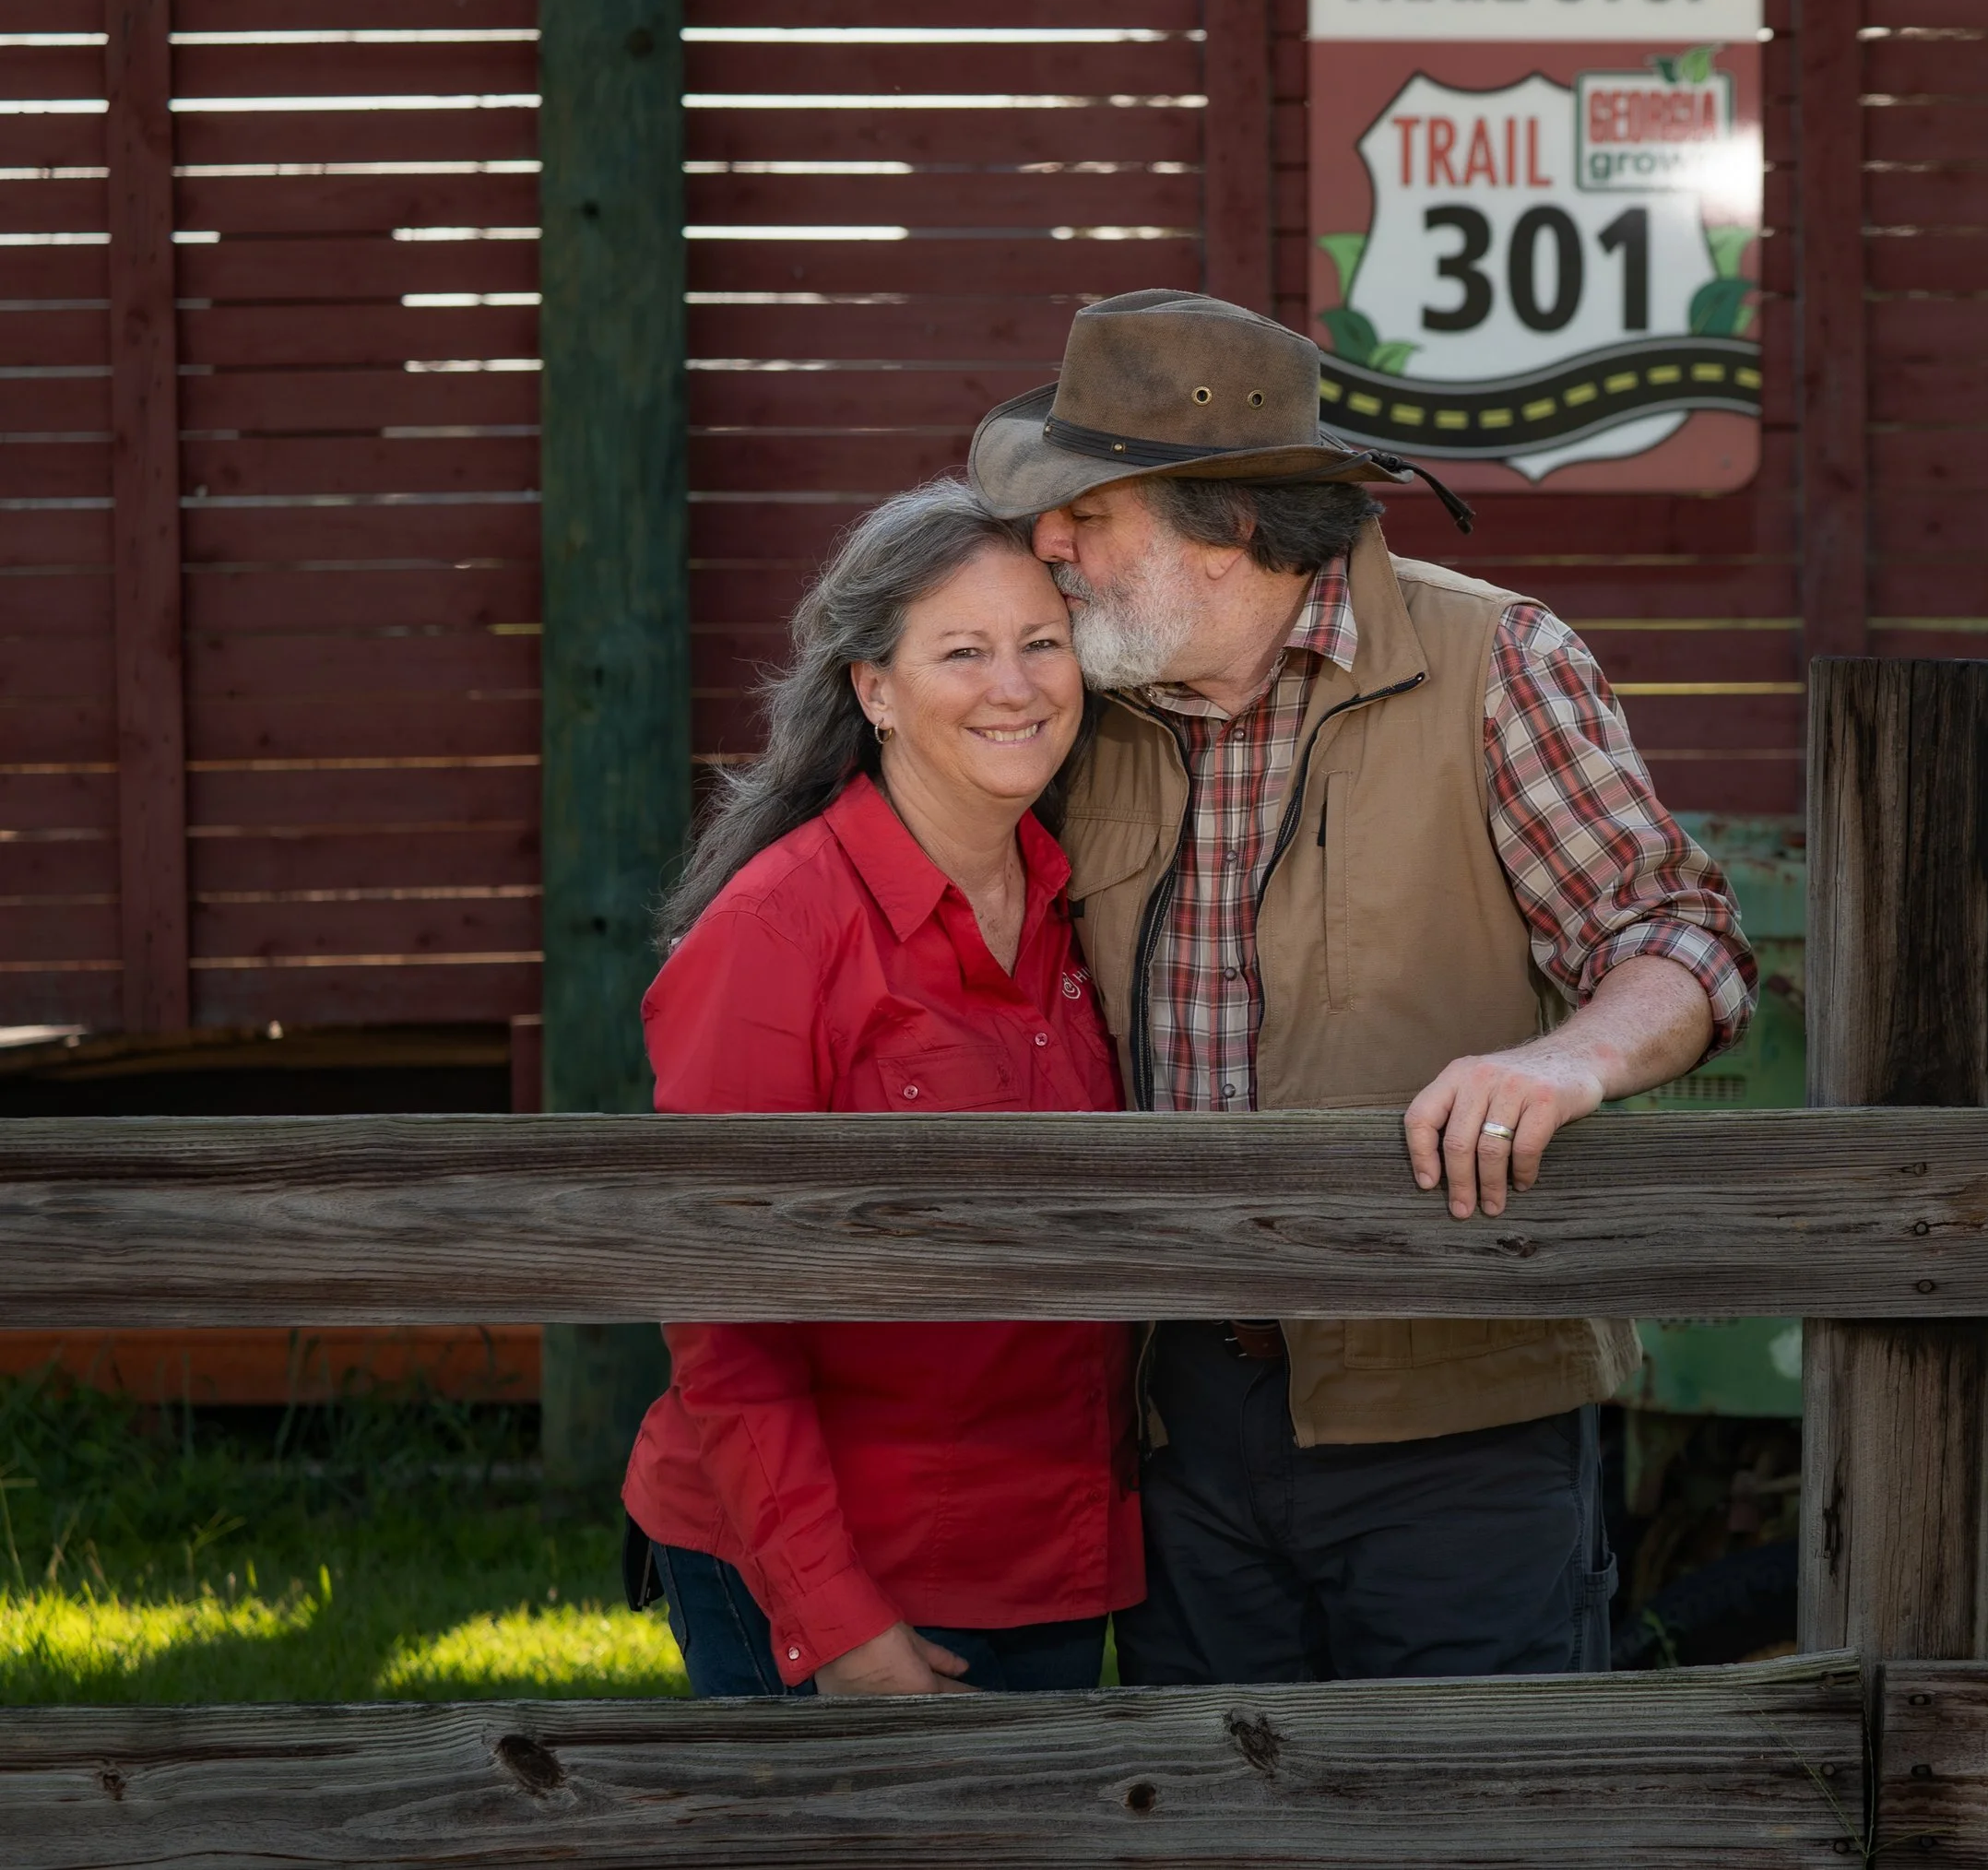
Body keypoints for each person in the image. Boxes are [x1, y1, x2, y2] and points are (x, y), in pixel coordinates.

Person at [966, 289, 1756, 1684]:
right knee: (1217, 1792)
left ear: (1229, 527)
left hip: (1458, 1400)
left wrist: (1567, 1062)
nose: (1048, 545)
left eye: (1088, 513)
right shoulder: (1081, 703)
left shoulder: (1495, 662)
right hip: (1173, 1404)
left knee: (1467, 1792)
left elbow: (1677, 938)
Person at [621, 480, 1142, 1697]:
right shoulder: (775, 930)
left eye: (1042, 643)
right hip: (829, 1564)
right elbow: (724, 1314)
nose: (1015, 687)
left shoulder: (1087, 900)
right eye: (962, 652)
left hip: (1050, 1553)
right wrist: (833, 1616)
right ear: (875, 690)